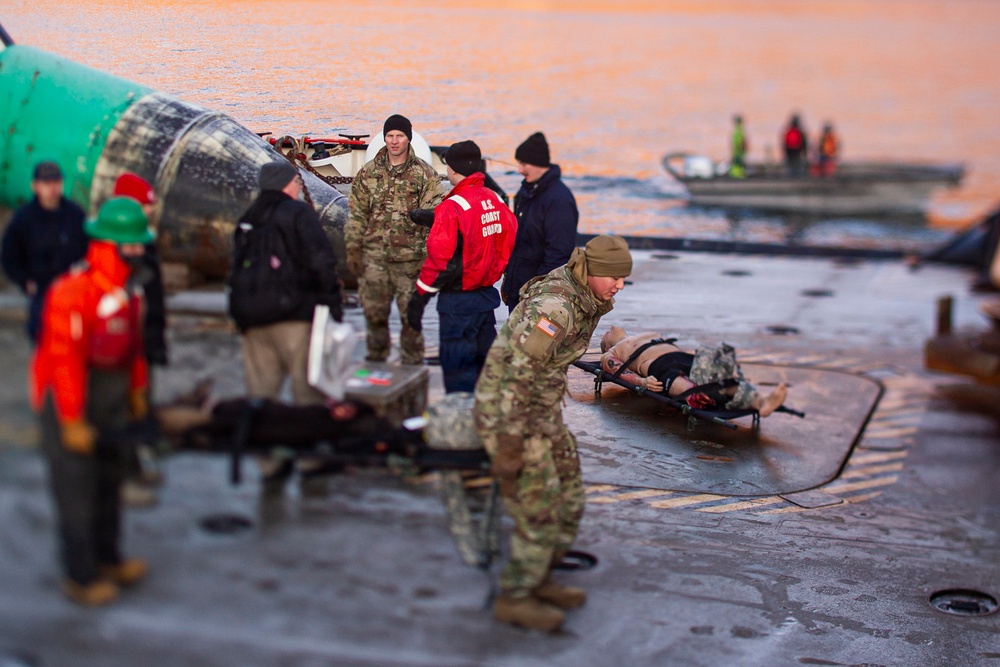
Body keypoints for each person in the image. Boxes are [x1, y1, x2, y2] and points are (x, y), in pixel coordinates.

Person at [474, 235, 632, 632]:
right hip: (511, 413)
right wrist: (509, 444)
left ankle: (540, 578)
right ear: (590, 269)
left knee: (569, 495)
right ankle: (516, 597)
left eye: (624, 278)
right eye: (613, 277)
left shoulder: (585, 294)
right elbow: (516, 375)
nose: (619, 285)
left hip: (538, 408)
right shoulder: (556, 307)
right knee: (539, 506)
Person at [31, 197, 155, 605]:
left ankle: (108, 559)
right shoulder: (73, 292)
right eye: (133, 244)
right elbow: (64, 360)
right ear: (112, 244)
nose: (140, 251)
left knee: (108, 486)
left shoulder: (130, 293)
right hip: (71, 403)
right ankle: (80, 576)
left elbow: (134, 351)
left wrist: (137, 392)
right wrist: (71, 420)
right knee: (77, 495)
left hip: (111, 401)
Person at [228, 161, 344, 484]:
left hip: (253, 321)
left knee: (262, 395)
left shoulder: (248, 218)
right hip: (295, 317)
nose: (298, 186)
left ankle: (271, 464)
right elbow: (321, 261)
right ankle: (310, 461)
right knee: (307, 392)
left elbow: (235, 270)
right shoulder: (298, 214)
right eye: (296, 180)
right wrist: (332, 306)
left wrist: (240, 316)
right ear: (286, 184)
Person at [406, 140, 517, 392]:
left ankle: (462, 425)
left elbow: (438, 261)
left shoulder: (451, 207)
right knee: (486, 373)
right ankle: (486, 423)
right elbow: (506, 236)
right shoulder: (493, 198)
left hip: (457, 305)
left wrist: (418, 300)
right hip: (485, 300)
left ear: (452, 169)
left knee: (459, 376)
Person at [346, 114, 443, 365]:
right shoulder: (368, 173)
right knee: (374, 318)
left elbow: (435, 216)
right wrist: (353, 249)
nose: (394, 141)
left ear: (408, 138)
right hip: (375, 260)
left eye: (399, 136)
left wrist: (429, 255)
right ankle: (376, 365)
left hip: (410, 263)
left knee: (411, 321)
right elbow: (357, 214)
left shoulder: (425, 174)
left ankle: (412, 368)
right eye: (390, 136)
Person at [109, 173, 169, 506]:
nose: (152, 207)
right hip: (127, 345)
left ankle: (138, 465)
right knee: (123, 412)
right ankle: (123, 478)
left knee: (139, 405)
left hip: (144, 339)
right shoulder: (123, 248)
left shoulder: (143, 242)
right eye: (147, 202)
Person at [599, 327, 788, 416]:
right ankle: (707, 397)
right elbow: (614, 369)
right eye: (606, 333)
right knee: (685, 386)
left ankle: (761, 402)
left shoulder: (643, 333)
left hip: (682, 356)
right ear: (607, 343)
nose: (611, 328)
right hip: (658, 364)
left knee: (721, 378)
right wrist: (642, 383)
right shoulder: (613, 351)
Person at [1, 161, 88, 343]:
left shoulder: (75, 215)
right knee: (42, 341)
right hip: (41, 290)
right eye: (46, 183)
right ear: (35, 186)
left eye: (56, 182)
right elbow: (9, 254)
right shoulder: (23, 218)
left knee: (76, 340)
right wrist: (24, 281)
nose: (52, 188)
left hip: (73, 291)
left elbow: (89, 248)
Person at [500, 132, 578, 313]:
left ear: (538, 164)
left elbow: (559, 254)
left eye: (523, 164)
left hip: (537, 297)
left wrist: (536, 292)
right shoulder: (527, 191)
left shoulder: (559, 200)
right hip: (517, 291)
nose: (519, 169)